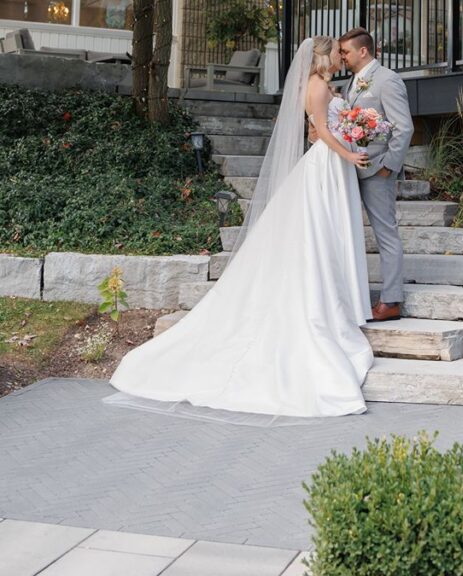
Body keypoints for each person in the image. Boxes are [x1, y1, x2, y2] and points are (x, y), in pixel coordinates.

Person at [106, 36, 374, 418]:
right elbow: (320, 132)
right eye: (335, 53)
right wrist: (348, 149)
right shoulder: (316, 88)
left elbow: (317, 130)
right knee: (317, 236)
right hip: (326, 165)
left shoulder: (326, 86)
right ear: (322, 57)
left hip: (333, 165)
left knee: (327, 235)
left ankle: (340, 296)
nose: (339, 58)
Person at [311, 28, 414, 322]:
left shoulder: (387, 80)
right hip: (347, 168)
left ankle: (391, 300)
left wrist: (388, 166)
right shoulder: (349, 83)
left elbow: (403, 128)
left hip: (377, 169)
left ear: (363, 51)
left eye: (345, 52)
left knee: (385, 233)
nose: (341, 57)